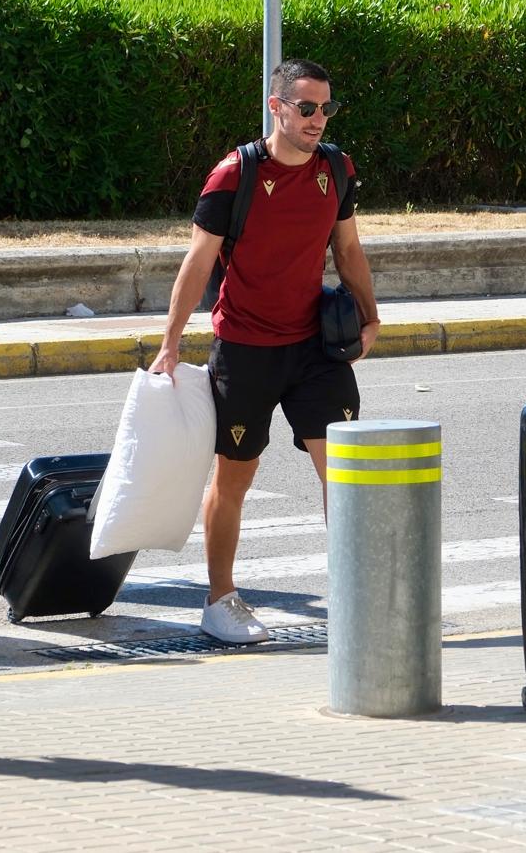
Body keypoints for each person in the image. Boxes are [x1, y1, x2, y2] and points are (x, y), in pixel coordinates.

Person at [149, 58, 381, 644]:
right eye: (306, 108)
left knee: (346, 472)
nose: (318, 119)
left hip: (314, 349)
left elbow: (348, 250)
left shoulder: (337, 168)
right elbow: (198, 261)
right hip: (245, 348)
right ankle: (220, 599)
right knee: (235, 477)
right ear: (276, 107)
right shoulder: (236, 173)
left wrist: (371, 316)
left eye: (326, 107)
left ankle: (354, 593)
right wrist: (171, 345)